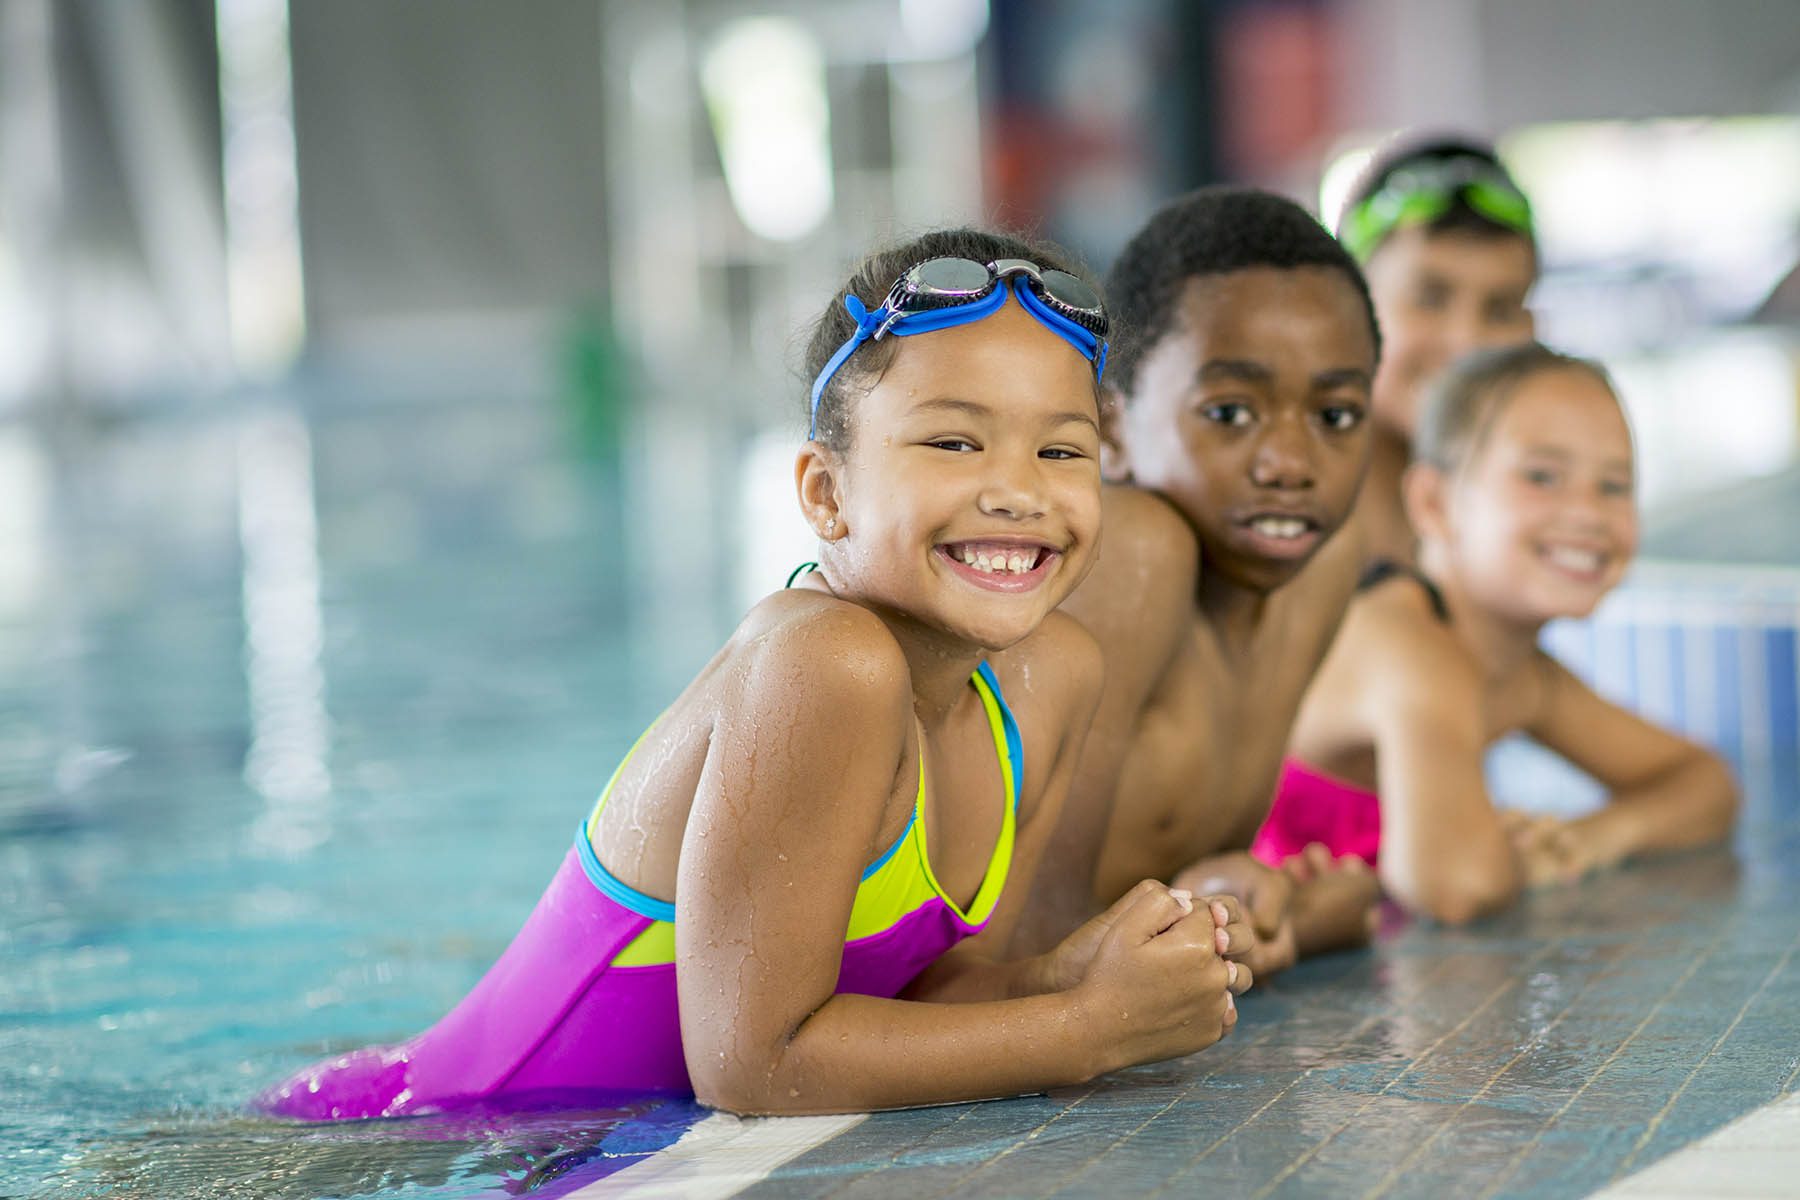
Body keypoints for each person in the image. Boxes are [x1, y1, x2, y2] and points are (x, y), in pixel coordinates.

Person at [255, 229, 1254, 1121]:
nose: (1017, 490)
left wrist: (1070, 974)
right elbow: (751, 1066)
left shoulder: (1054, 683)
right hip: (414, 1142)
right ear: (826, 494)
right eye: (953, 440)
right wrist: (1086, 1030)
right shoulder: (825, 662)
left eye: (1060, 449)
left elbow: (923, 1010)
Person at [1005, 188, 1384, 974]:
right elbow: (1022, 955)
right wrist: (1281, 927)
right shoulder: (1139, 552)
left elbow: (1181, 894)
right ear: (1110, 426)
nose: (1289, 463)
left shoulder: (1321, 564)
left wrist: (1276, 918)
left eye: (1336, 415)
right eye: (1230, 413)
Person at [1258, 342, 1738, 924]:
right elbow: (1458, 887)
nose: (1588, 512)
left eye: (1614, 486)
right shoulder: (1405, 644)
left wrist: (1587, 840)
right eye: (1542, 476)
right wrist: (1503, 852)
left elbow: (1704, 783)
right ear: (1434, 504)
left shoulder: (1525, 677)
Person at [1338, 135, 1539, 565]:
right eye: (1429, 298)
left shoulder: (1523, 547)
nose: (1465, 343)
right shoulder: (1281, 540)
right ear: (1343, 307)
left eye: (1501, 309)